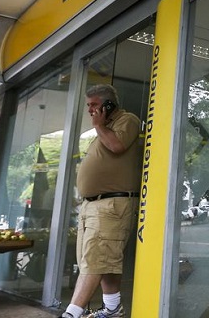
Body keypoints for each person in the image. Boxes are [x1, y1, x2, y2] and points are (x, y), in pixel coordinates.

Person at [62, 84, 142, 318]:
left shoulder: (127, 120)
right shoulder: (103, 128)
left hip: (112, 204)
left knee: (96, 259)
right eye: (88, 105)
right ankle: (112, 309)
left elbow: (117, 146)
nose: (90, 110)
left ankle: (72, 314)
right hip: (93, 205)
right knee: (103, 259)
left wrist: (99, 125)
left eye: (94, 105)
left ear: (109, 104)